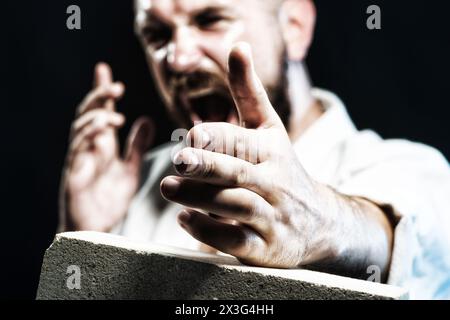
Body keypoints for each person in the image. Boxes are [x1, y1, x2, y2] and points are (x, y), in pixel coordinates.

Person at [59, 0, 450, 299]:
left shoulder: (414, 173)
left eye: (209, 20)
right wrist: (85, 237)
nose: (177, 59)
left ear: (294, 27)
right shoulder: (135, 187)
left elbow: (400, 241)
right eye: (157, 35)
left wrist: (324, 225)